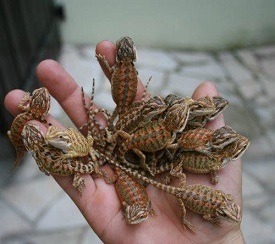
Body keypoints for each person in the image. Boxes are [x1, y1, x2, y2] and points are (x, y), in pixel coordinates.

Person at [4, 40, 245, 243]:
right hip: (128, 147)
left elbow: (170, 148)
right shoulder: (167, 136)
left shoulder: (172, 139)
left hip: (141, 150)